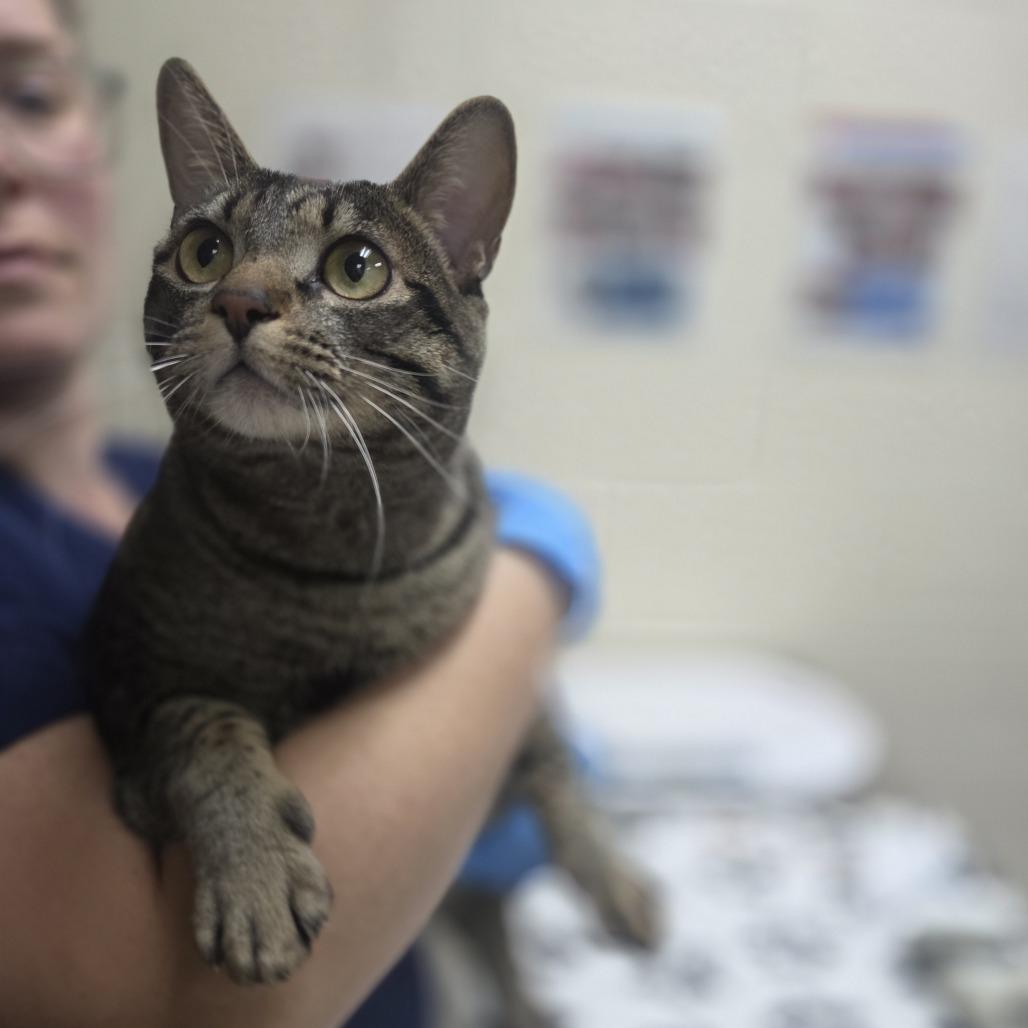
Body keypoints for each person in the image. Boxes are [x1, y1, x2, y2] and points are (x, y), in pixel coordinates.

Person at [0, 1, 600, 1025]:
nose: (242, 297)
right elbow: (175, 1003)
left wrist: (545, 776)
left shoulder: (145, 469)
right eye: (207, 257)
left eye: (28, 91)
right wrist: (528, 581)